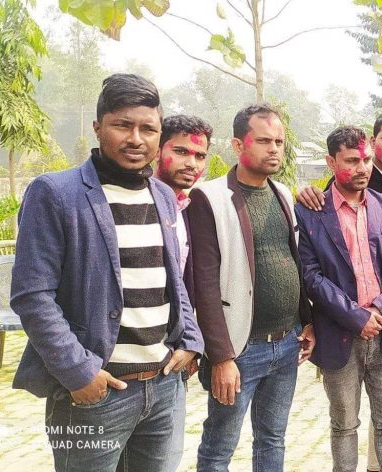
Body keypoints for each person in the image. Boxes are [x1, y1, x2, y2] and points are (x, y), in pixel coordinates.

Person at [11, 73, 202, 471]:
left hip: (163, 387)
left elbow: (173, 278)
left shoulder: (163, 195)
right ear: (98, 127)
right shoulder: (56, 193)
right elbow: (32, 295)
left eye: (148, 129)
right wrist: (78, 372)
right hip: (95, 394)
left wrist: (190, 339)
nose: (136, 139)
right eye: (122, 125)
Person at [189, 104, 315, 471]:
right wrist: (221, 357)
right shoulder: (209, 198)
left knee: (273, 438)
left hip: (287, 343)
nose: (274, 149)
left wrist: (306, 322)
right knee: (219, 448)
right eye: (263, 141)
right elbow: (205, 285)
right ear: (237, 144)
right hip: (241, 348)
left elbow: (294, 262)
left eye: (279, 141)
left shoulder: (284, 194)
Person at [296, 125, 382, 472]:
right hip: (339, 335)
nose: (362, 168)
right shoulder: (311, 212)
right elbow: (311, 276)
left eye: (366, 159)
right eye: (351, 160)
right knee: (344, 424)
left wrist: (380, 308)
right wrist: (355, 316)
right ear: (331, 162)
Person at [154, 114, 213, 471]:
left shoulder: (188, 208)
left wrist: (191, 341)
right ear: (157, 149)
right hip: (118, 360)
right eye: (181, 151)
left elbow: (185, 285)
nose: (192, 163)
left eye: (200, 155)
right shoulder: (132, 204)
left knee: (164, 459)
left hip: (173, 357)